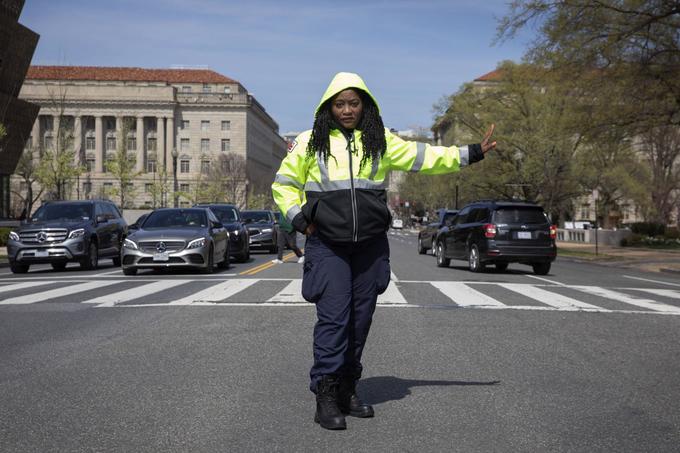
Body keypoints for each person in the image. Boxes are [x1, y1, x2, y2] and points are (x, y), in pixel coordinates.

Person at [271, 72, 496, 430]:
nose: (347, 110)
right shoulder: (309, 142)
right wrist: (301, 221)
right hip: (328, 246)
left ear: (365, 105)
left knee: (360, 322)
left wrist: (471, 153)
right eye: (340, 103)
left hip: (369, 247)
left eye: (354, 103)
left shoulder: (381, 141)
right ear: (329, 106)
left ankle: (347, 388)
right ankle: (326, 394)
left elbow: (426, 156)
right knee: (334, 320)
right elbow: (283, 185)